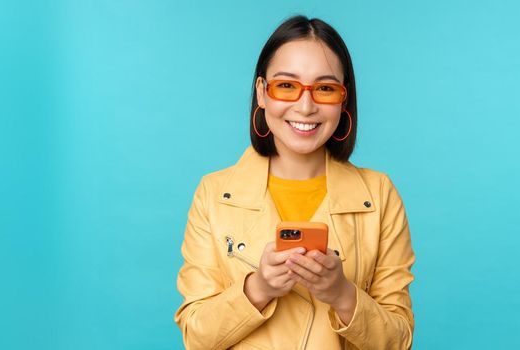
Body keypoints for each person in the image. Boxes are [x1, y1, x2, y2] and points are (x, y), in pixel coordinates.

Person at [173, 15, 415, 350]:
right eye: (286, 85)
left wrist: (342, 294)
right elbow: (196, 337)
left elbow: (399, 340)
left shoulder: (378, 195)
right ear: (262, 93)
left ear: (343, 99)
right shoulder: (214, 195)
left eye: (325, 88)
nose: (305, 106)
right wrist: (258, 288)